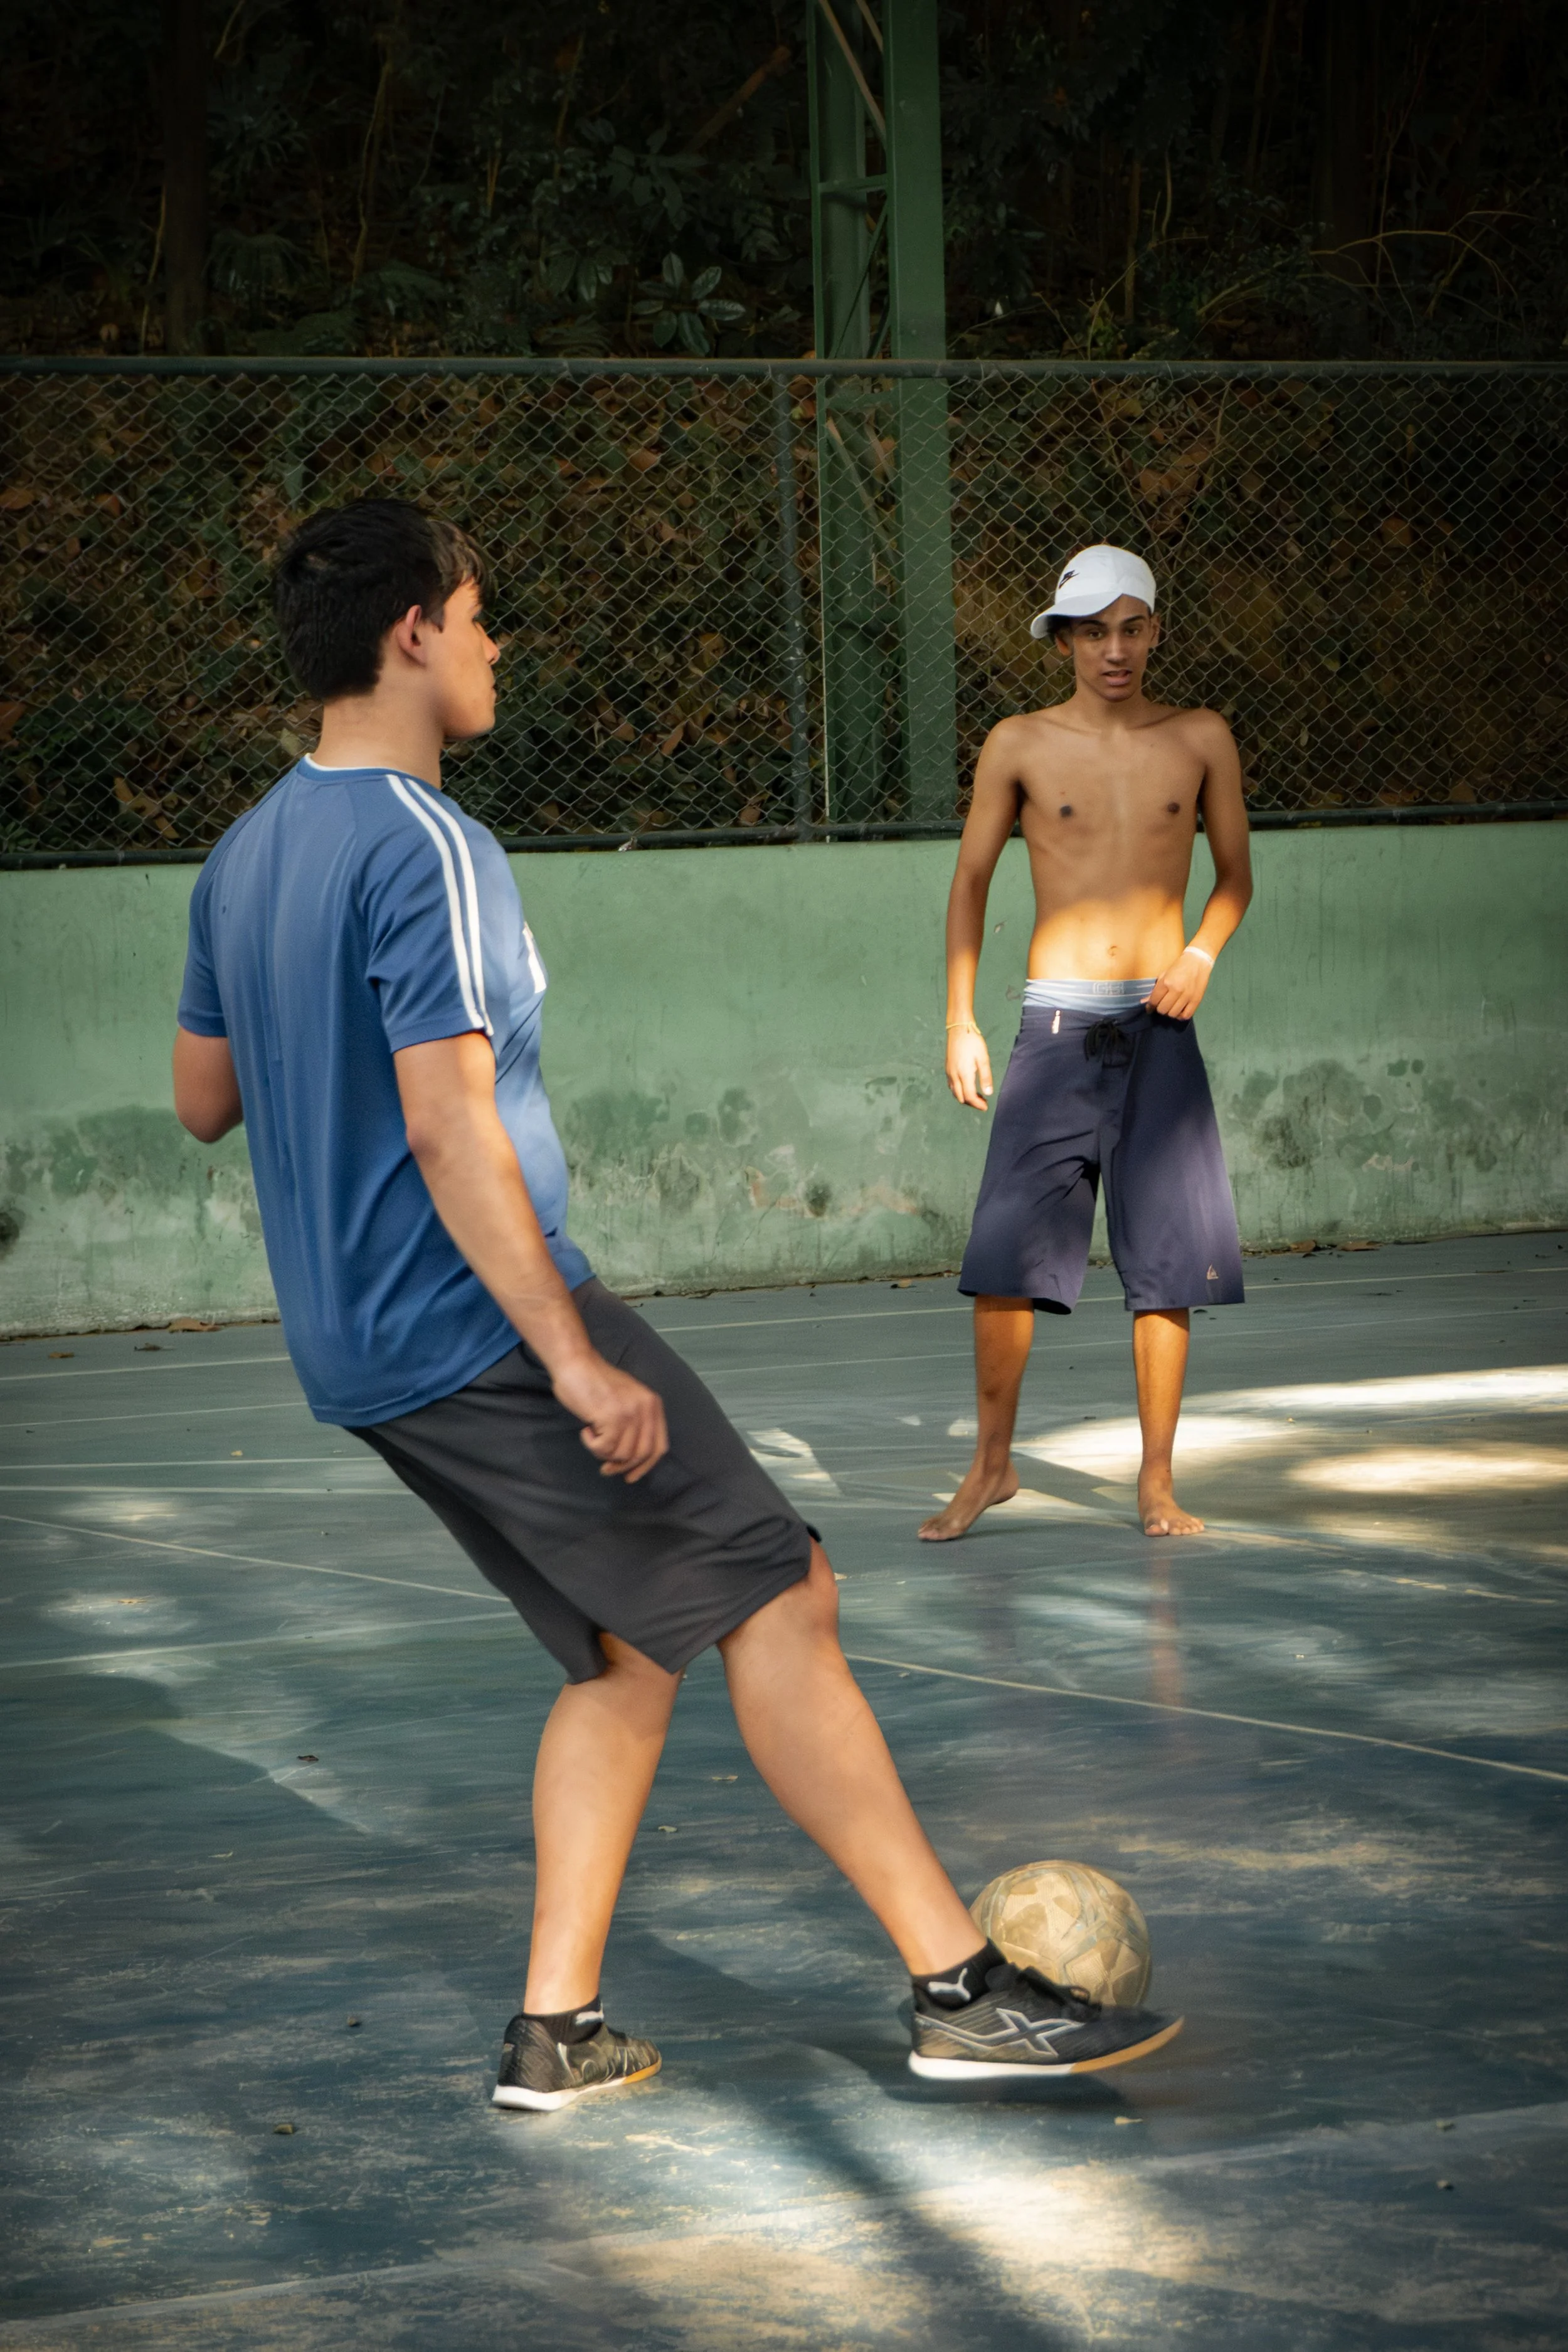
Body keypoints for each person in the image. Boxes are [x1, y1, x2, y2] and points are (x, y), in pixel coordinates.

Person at [172, 500, 1182, 2109]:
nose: (495, 645)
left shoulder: (242, 857)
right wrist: (571, 1359)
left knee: (627, 1652)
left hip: (355, 1352)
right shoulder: (427, 844)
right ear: (413, 633)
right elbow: (448, 1128)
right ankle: (960, 1992)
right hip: (477, 1324)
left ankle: (555, 2031)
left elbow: (204, 1100)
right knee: (781, 1588)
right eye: (478, 616)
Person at [921, 544, 1252, 1546]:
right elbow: (971, 881)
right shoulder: (1018, 742)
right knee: (1004, 1259)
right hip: (1054, 1029)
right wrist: (961, 1020)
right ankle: (992, 1464)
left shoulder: (1200, 738)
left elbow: (1235, 875)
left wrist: (1200, 952)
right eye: (1094, 632)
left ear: (1155, 631)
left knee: (1167, 1265)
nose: (1115, 650)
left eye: (1131, 629)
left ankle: (1157, 1481)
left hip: (1162, 1029)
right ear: (1063, 640)